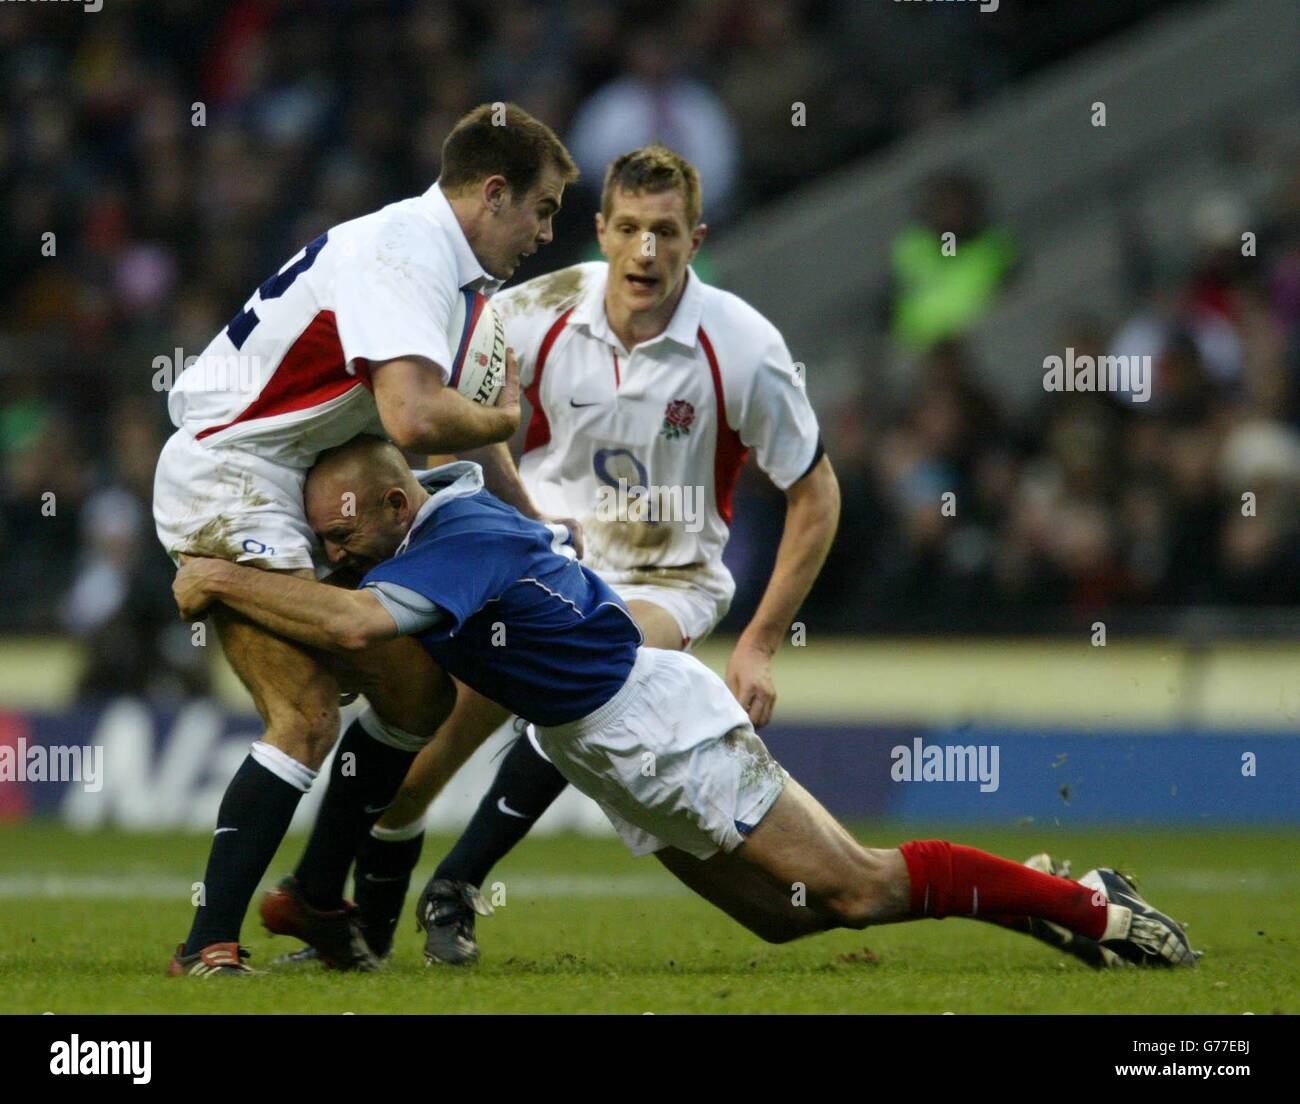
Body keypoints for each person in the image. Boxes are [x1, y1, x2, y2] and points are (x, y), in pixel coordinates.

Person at [172, 436, 1199, 973]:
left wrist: (219, 580)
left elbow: (352, 631)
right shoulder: (426, 508)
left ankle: (1091, 907)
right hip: (593, 744)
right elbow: (432, 458)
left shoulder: (459, 540)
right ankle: (1039, 896)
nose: (335, 558)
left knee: (853, 887)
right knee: (785, 924)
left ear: (396, 508)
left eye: (342, 537)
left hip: (653, 719)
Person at [279, 144, 840, 966]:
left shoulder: (744, 347)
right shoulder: (536, 312)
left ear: (698, 238)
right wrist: (526, 519)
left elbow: (816, 494)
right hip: (537, 564)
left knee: (584, 678)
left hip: (665, 580)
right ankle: (363, 939)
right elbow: (467, 416)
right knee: (412, 775)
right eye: (633, 229)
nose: (648, 252)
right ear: (603, 231)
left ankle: (458, 885)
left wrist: (757, 642)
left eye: (669, 233)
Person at [155, 103, 578, 976]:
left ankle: (312, 893)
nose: (544, 233)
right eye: (541, 210)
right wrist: (506, 410)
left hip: (290, 477)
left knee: (419, 701)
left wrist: (534, 525)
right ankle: (208, 945)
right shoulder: (403, 253)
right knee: (306, 715)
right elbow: (416, 415)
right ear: (492, 192)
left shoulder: (453, 277)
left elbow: (449, 424)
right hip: (227, 476)